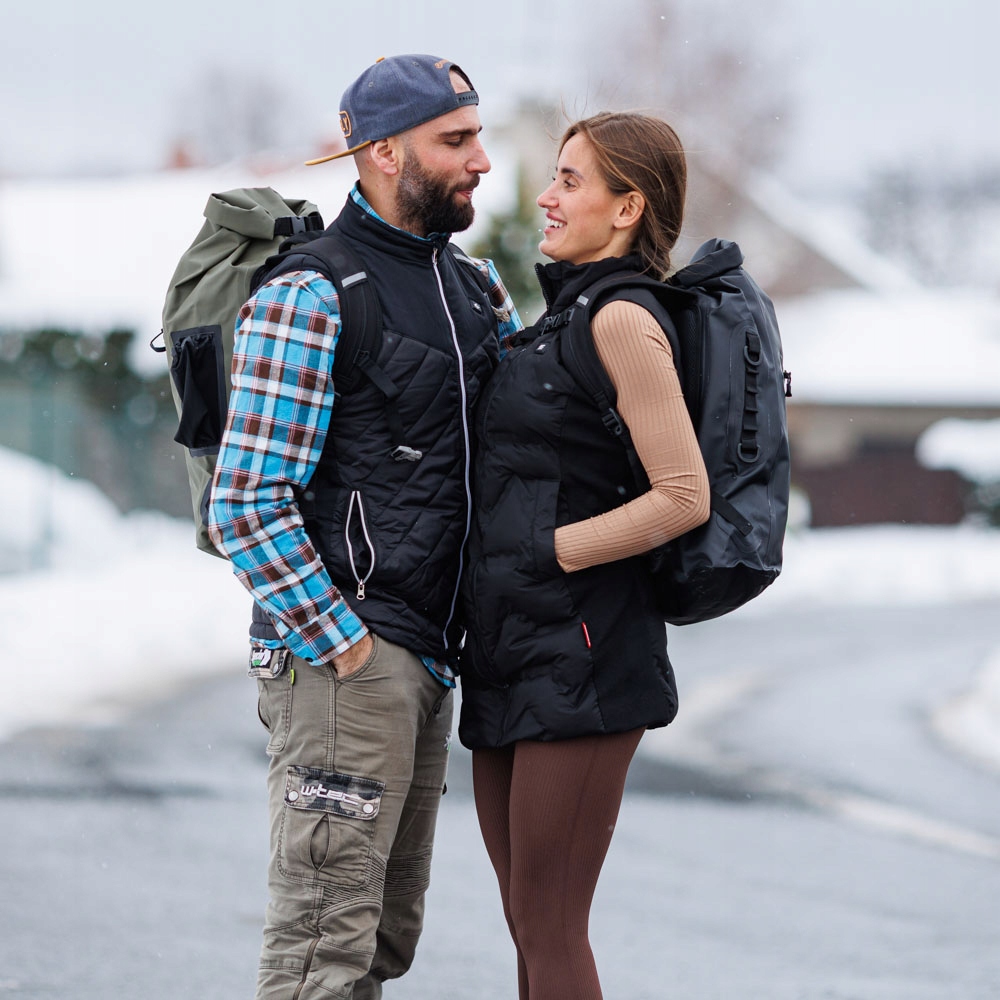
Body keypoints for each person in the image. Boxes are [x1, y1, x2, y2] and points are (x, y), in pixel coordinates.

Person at [207, 54, 522, 1000]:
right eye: (455, 140)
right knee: (322, 945)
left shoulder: (476, 289)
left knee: (380, 937)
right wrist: (346, 648)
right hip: (348, 657)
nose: (481, 161)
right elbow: (246, 501)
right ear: (385, 152)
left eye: (478, 137)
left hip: (429, 655)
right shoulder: (311, 293)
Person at [458, 111, 712, 1000]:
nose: (546, 196)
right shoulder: (561, 318)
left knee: (552, 924)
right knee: (527, 921)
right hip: (514, 649)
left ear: (627, 207)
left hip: (587, 656)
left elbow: (683, 493)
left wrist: (545, 551)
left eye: (570, 180)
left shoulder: (622, 320)